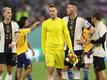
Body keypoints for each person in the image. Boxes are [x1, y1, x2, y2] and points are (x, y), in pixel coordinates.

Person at [41, 3, 75, 80]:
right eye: (50, 11)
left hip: (60, 50)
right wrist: (44, 52)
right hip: (49, 50)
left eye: (53, 11)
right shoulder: (45, 23)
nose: (52, 12)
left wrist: (71, 50)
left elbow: (67, 36)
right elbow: (43, 39)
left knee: (59, 72)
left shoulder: (62, 22)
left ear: (57, 11)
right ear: (49, 12)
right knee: (50, 72)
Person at [62, 2, 95, 80]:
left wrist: (85, 40)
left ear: (74, 9)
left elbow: (92, 29)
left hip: (77, 48)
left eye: (69, 7)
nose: (67, 9)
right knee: (64, 68)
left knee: (76, 68)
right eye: (67, 7)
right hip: (66, 48)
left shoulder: (81, 20)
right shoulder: (64, 19)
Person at [0, 7, 20, 80]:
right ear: (4, 14)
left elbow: (18, 35)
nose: (10, 14)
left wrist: (14, 42)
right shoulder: (0, 25)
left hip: (12, 50)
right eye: (8, 12)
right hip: (1, 49)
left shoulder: (15, 24)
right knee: (1, 70)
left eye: (11, 12)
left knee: (9, 70)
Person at [90, 12, 106, 80]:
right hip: (96, 52)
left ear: (94, 18)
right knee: (96, 71)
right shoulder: (96, 26)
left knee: (100, 71)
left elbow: (102, 39)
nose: (91, 19)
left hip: (100, 52)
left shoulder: (101, 26)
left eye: (92, 18)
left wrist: (91, 41)